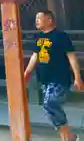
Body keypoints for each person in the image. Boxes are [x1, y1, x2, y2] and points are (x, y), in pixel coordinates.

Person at [24, 10, 83, 141]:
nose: (36, 21)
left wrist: (77, 77)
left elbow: (71, 57)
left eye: (39, 18)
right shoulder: (39, 37)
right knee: (48, 108)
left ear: (49, 20)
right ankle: (67, 137)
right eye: (36, 18)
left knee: (50, 104)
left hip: (59, 78)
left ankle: (67, 135)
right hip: (45, 79)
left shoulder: (61, 36)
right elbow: (35, 57)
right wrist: (26, 72)